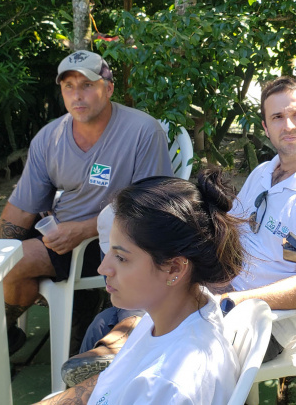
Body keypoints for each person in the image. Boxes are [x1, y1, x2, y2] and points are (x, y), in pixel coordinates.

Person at [62, 76, 296, 384]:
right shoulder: (263, 173)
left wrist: (237, 301)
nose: (288, 125)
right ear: (265, 127)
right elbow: (232, 233)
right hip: (220, 291)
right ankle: (115, 349)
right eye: (277, 117)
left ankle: (119, 350)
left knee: (142, 343)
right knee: (108, 317)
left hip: (261, 322)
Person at [0, 50, 173, 375]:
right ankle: (8, 332)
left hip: (114, 239)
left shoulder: (142, 132)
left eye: (87, 85)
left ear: (108, 88)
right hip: (56, 232)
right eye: (69, 86)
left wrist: (83, 230)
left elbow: (152, 208)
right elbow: (22, 206)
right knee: (1, 259)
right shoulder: (50, 136)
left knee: (17, 263)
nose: (77, 95)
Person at [39, 171, 246, 405]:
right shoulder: (171, 316)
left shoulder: (170, 385)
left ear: (174, 269)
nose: (102, 268)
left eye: (121, 258)